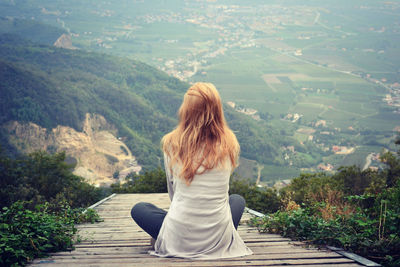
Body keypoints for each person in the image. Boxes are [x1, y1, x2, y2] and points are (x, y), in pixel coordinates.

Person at [131, 82, 253, 259]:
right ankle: (213, 237)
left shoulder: (172, 143)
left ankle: (168, 237)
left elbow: (174, 195)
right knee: (237, 200)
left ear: (186, 109)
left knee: (140, 209)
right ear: (217, 109)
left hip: (180, 234)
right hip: (218, 235)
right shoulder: (230, 143)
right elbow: (222, 191)